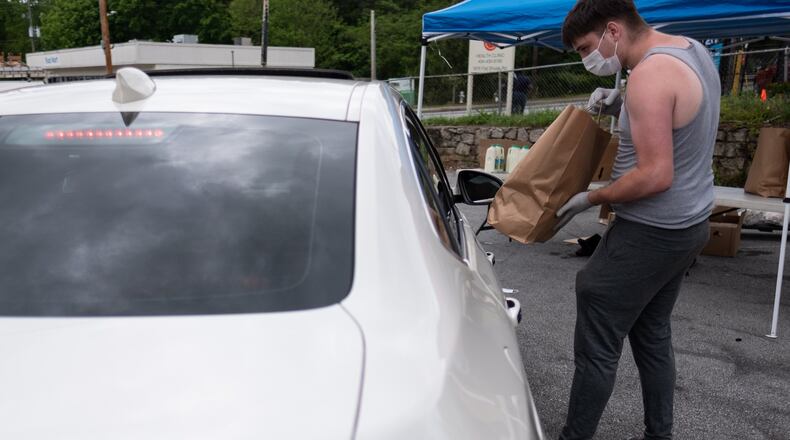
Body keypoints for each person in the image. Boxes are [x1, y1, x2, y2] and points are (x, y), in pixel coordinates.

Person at [554, 1, 720, 439]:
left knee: (596, 317)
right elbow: (678, 114)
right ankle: (658, 434)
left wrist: (591, 197)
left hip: (652, 229)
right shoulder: (691, 51)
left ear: (613, 30)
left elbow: (655, 175)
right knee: (651, 333)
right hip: (688, 225)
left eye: (587, 47)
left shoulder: (649, 74)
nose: (587, 59)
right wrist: (621, 106)